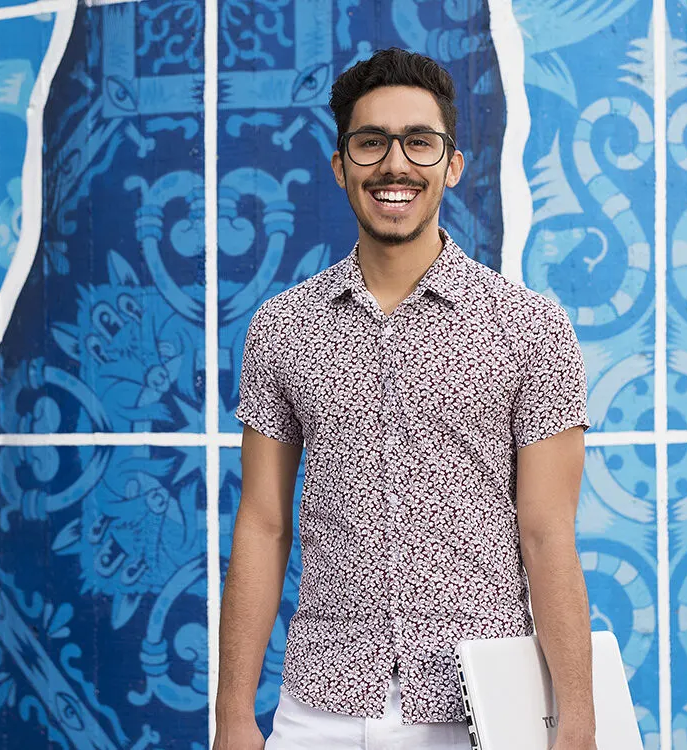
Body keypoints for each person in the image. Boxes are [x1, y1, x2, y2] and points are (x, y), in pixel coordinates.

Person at [214, 48, 597, 750]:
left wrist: (576, 720)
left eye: (419, 142)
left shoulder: (532, 328)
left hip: (480, 707)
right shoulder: (281, 329)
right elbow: (262, 525)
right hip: (321, 708)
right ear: (341, 166)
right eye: (371, 143)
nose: (395, 165)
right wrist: (234, 715)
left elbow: (548, 533)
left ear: (451, 164)